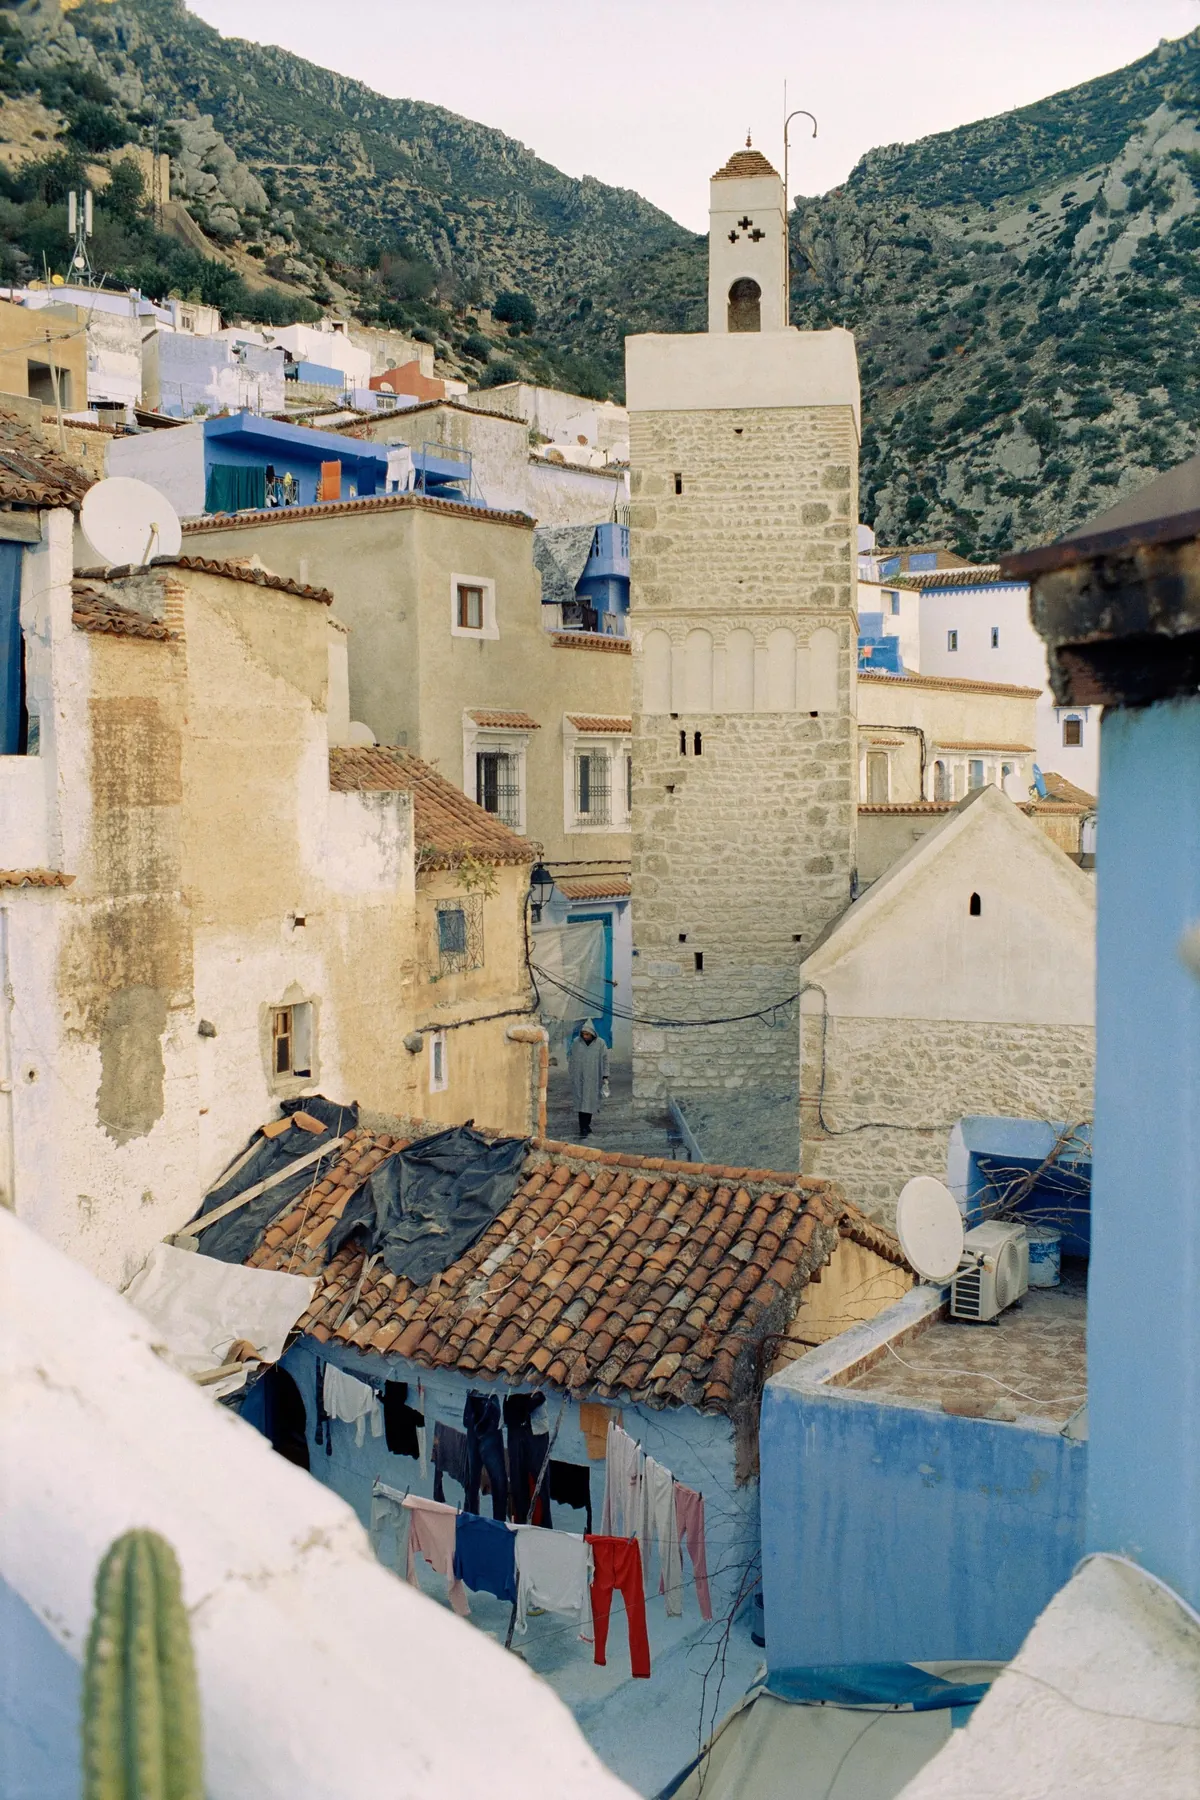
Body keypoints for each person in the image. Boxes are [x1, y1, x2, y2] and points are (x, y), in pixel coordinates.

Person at [568, 1019, 609, 1139]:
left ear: (592, 1034)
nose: (585, 1036)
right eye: (583, 1034)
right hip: (579, 1078)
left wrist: (605, 1075)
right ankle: (583, 1127)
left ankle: (587, 1125)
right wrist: (572, 1074)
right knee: (581, 1103)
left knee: (590, 1102)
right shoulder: (576, 1043)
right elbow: (572, 1059)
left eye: (587, 1034)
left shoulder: (600, 1044)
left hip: (593, 1077)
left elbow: (605, 1060)